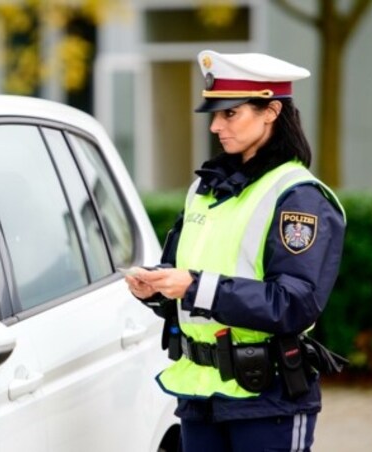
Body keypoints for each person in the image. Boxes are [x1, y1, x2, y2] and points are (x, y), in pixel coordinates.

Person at [125, 51, 347, 452]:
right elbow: (191, 273)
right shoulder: (205, 189)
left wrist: (192, 287)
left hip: (268, 400)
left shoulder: (298, 197)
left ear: (271, 111)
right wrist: (159, 287)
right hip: (200, 392)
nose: (215, 125)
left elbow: (294, 303)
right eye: (214, 114)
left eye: (230, 114)